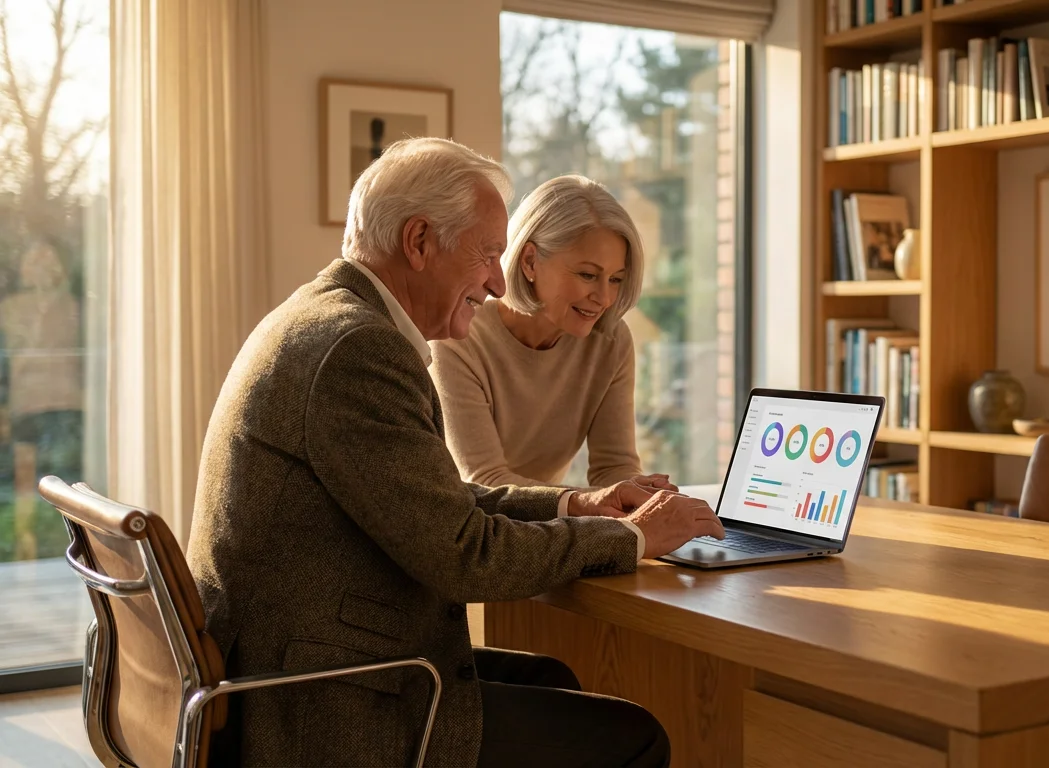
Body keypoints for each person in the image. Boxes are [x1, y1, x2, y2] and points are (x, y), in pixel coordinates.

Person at [187, 137, 724, 768]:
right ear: (418, 243)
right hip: (312, 700)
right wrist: (631, 539)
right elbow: (464, 555)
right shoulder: (358, 350)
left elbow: (439, 500)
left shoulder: (327, 319)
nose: (498, 282)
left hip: (301, 656)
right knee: (636, 739)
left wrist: (583, 501)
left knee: (554, 679)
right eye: (489, 255)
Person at [430, 175, 671, 493]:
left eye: (615, 279)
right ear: (530, 261)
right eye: (588, 275)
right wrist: (597, 502)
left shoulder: (610, 340)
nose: (604, 298)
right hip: (463, 530)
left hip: (546, 527)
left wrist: (643, 495)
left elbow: (614, 467)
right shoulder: (459, 337)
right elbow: (485, 483)